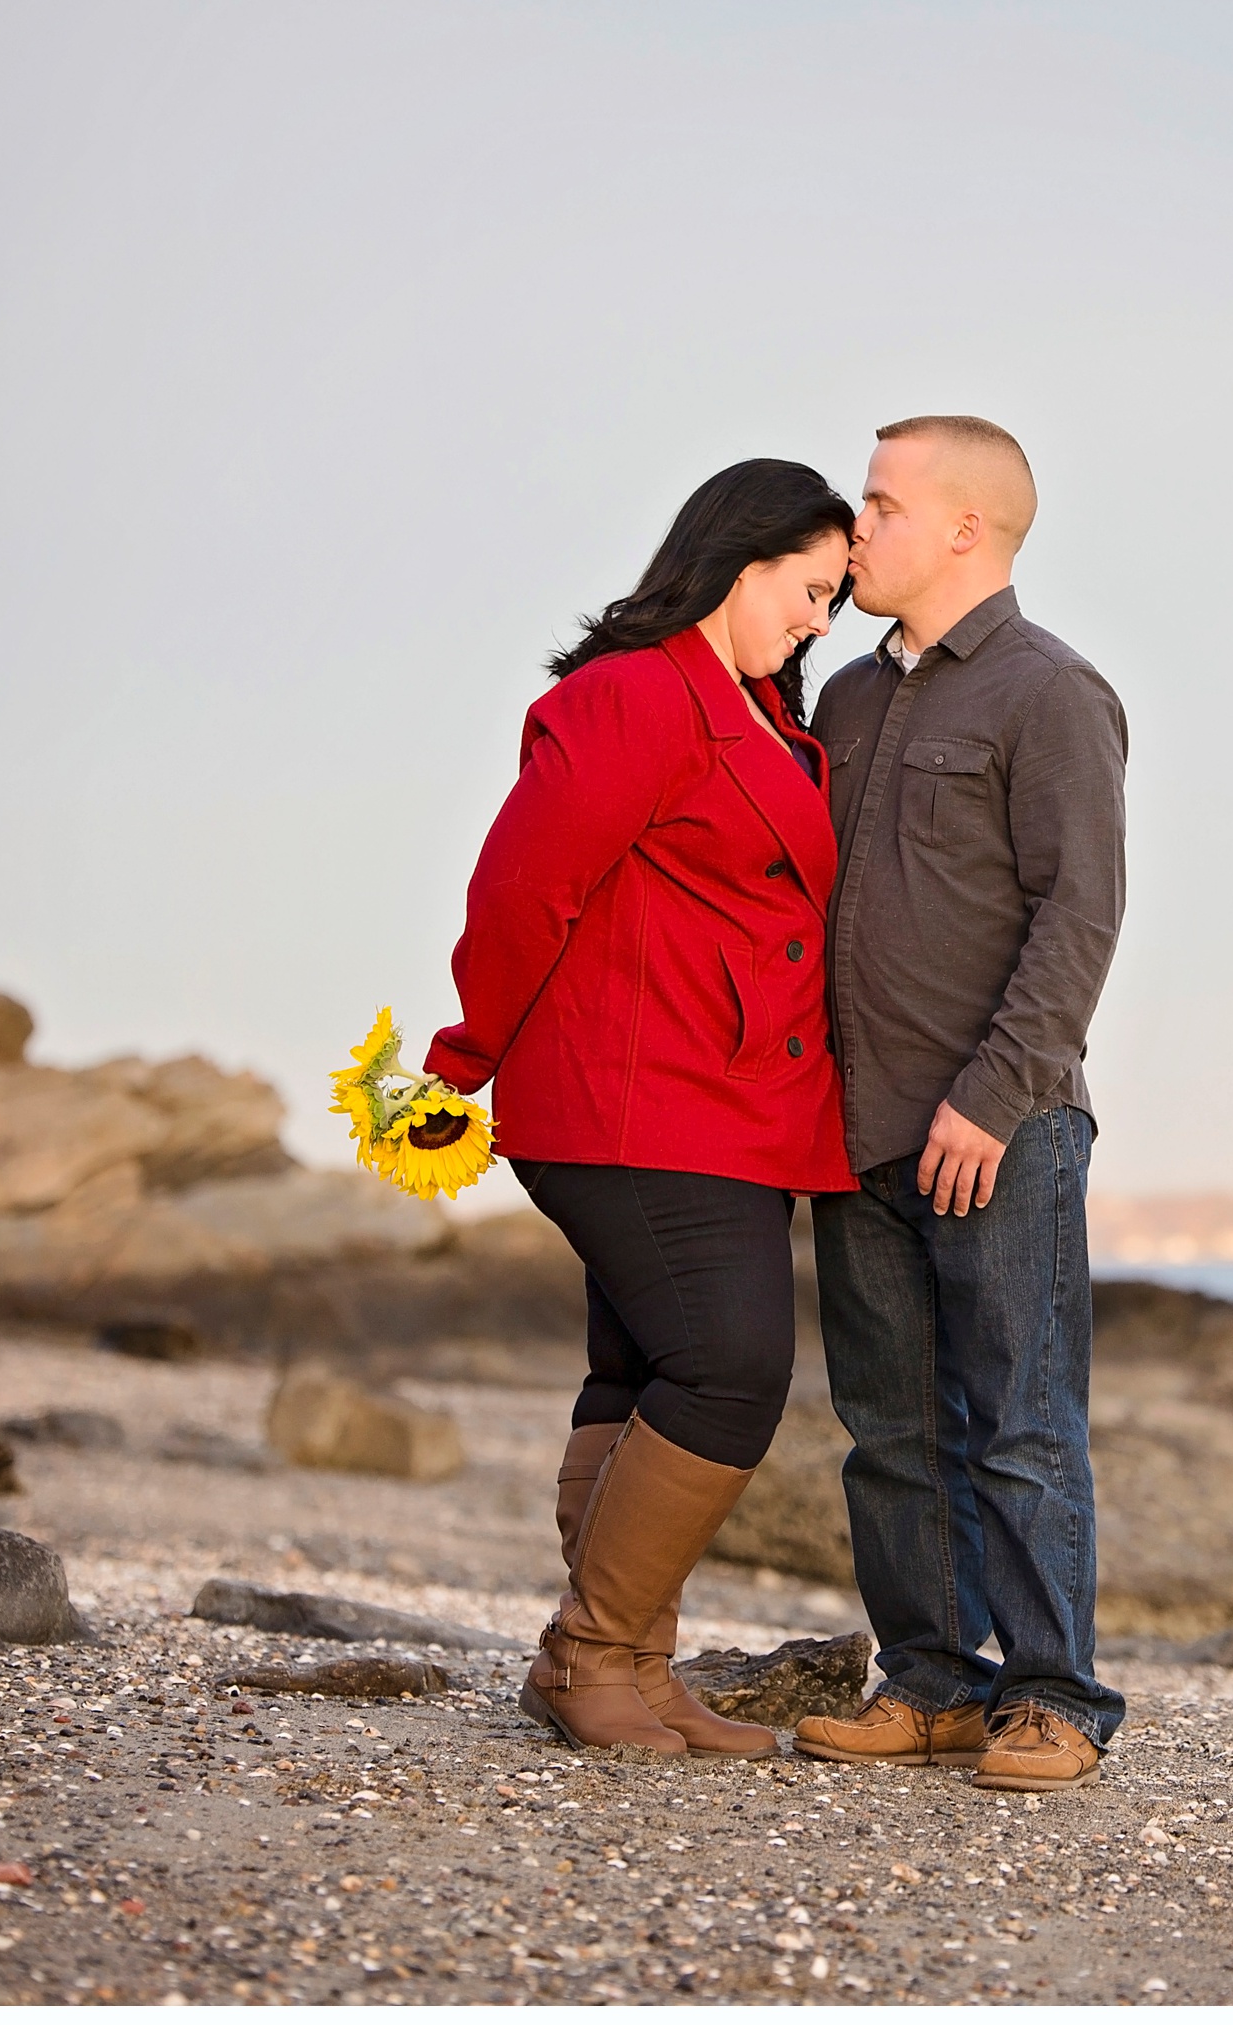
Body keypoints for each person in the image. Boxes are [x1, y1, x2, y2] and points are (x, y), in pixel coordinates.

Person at [422, 458, 857, 1758]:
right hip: (628, 1097)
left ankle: (641, 1670)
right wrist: (460, 1060)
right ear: (737, 556)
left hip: (722, 1098)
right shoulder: (629, 698)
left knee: (647, 1367)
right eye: (810, 588)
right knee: (729, 1367)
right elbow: (522, 887)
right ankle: (588, 1656)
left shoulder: (768, 722)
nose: (821, 621)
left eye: (839, 598)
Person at [791, 416, 1131, 1792]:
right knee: (889, 1425)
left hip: (1004, 1128)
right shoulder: (849, 700)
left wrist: (988, 1101)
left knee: (1021, 1420)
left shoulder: (1054, 693)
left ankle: (1053, 1698)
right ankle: (931, 1680)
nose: (852, 528)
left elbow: (1082, 915)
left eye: (878, 505)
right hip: (854, 1125)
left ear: (964, 531)